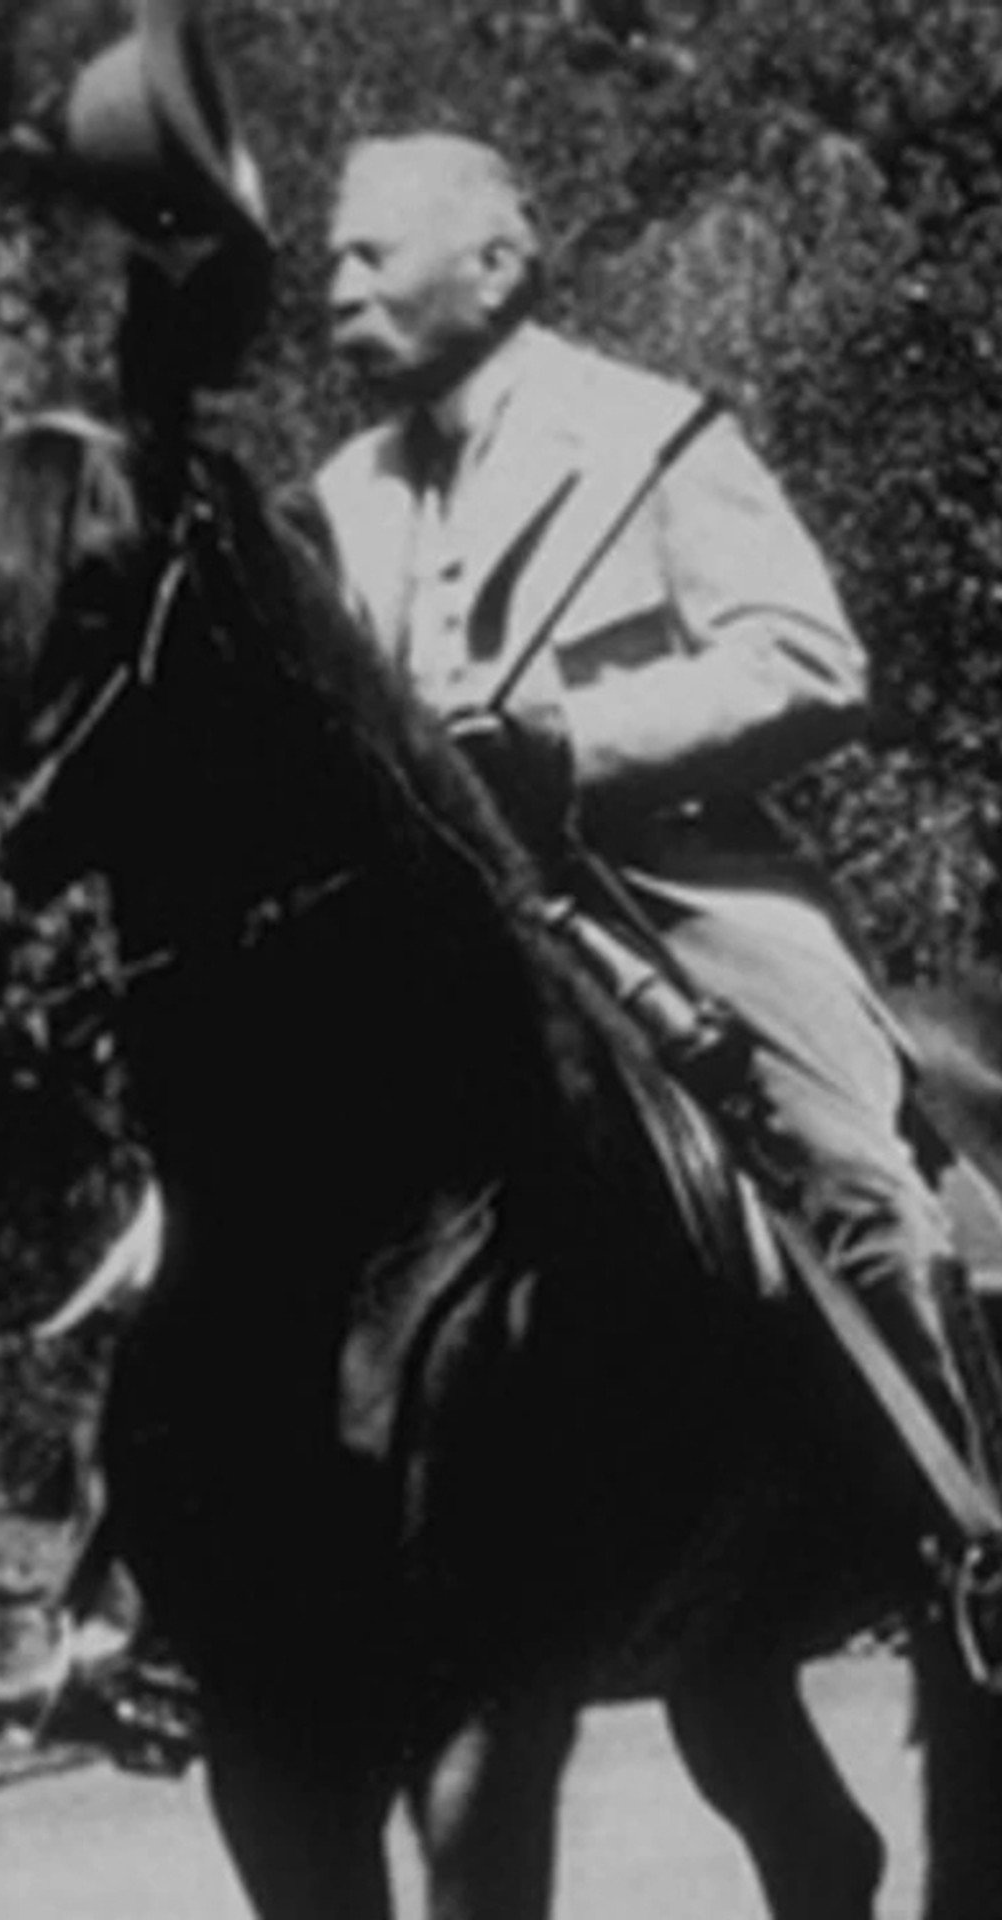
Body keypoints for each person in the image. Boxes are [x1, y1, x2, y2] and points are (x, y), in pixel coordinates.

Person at [309, 129, 1002, 1649]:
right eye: (333, 255)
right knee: (220, 1166)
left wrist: (574, 739)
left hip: (660, 881)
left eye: (372, 252)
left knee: (860, 1169)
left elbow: (814, 665)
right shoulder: (339, 497)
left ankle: (960, 1536)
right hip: (425, 919)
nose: (336, 279)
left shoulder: (649, 437)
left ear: (493, 265)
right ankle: (160, 1589)